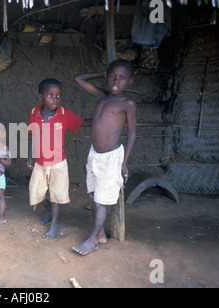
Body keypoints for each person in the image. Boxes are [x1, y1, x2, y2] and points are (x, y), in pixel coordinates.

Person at [73, 59, 137, 255]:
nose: (116, 82)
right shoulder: (102, 95)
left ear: (130, 81)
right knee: (93, 197)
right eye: (112, 77)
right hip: (95, 155)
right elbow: (79, 78)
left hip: (111, 158)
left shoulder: (127, 104)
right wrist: (102, 74)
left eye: (122, 78)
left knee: (101, 201)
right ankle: (99, 233)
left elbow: (132, 132)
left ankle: (92, 240)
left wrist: (124, 162)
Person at [27, 78, 91, 239]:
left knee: (56, 195)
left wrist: (103, 119)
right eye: (50, 95)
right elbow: (32, 136)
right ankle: (47, 209)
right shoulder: (34, 113)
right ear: (40, 96)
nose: (55, 99)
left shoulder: (64, 114)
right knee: (36, 193)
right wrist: (30, 157)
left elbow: (82, 123)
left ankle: (54, 224)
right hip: (40, 163)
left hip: (58, 163)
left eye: (58, 96)